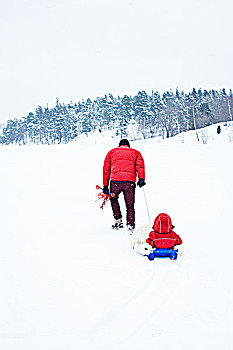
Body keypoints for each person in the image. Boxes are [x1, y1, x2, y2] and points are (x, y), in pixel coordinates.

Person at [103, 139, 145, 233]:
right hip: (129, 182)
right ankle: (130, 225)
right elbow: (140, 166)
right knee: (130, 205)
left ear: (119, 145)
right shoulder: (136, 153)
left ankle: (118, 220)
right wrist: (141, 178)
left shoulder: (112, 152)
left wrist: (105, 185)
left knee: (113, 198)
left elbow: (106, 169)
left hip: (115, 182)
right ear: (128, 145)